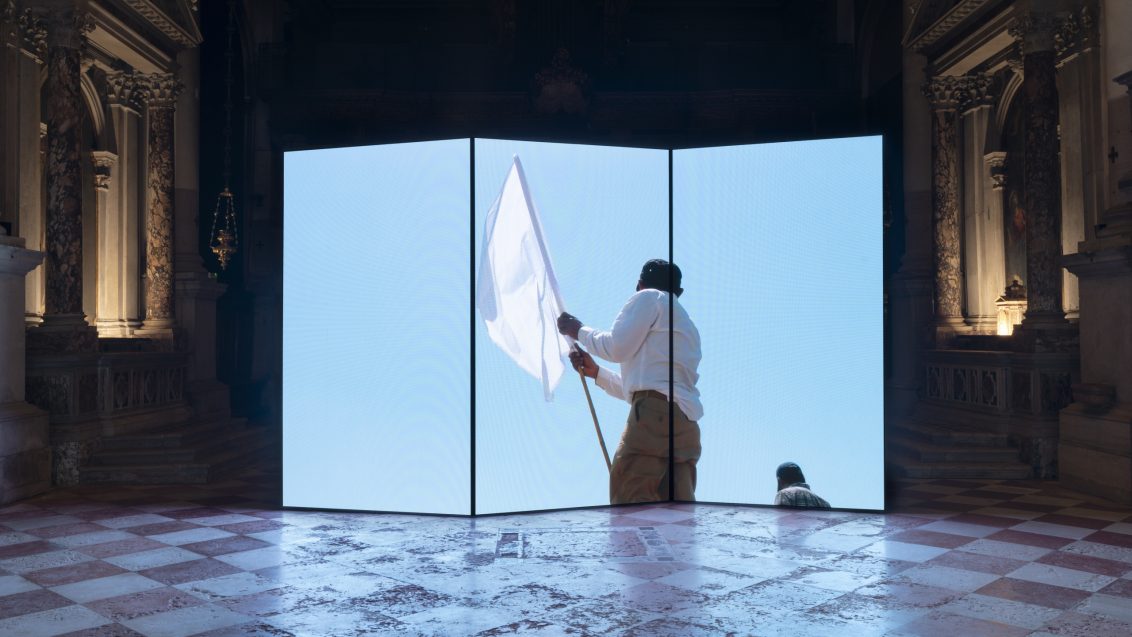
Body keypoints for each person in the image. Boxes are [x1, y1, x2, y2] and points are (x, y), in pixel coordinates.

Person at [557, 259, 702, 505]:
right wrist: (598, 374)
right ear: (680, 293)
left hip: (653, 418)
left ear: (639, 285)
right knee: (678, 512)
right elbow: (648, 387)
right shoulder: (688, 327)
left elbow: (616, 348)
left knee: (631, 503)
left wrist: (577, 329)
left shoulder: (649, 298)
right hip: (686, 426)